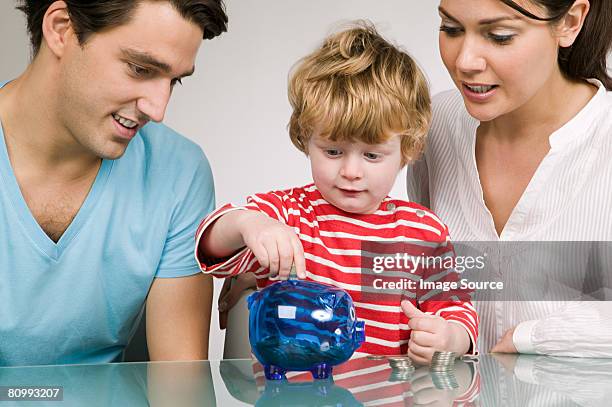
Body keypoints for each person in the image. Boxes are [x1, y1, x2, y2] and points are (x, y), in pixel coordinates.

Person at [195, 23, 479, 363]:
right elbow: (210, 245)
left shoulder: (423, 233)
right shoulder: (286, 216)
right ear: (305, 138)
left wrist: (451, 337)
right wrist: (247, 224)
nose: (351, 172)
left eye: (372, 155)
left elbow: (457, 309)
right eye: (332, 151)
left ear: (408, 149)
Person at [0, 0, 228, 366]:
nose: (158, 109)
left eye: (175, 80)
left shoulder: (179, 173)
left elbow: (180, 383)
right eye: (140, 68)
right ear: (61, 29)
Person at [407, 0, 612, 357]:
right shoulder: (434, 125)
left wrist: (535, 337)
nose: (465, 61)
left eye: (499, 36)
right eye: (451, 29)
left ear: (570, 21)